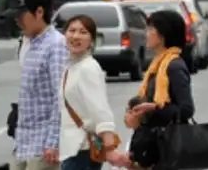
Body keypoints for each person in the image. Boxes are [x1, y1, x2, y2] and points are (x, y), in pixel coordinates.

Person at [125, 10, 195, 169]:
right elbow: (147, 99)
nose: (146, 34)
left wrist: (155, 108)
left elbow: (186, 109)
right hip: (152, 146)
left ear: (163, 35)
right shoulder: (156, 65)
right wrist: (134, 110)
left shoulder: (174, 66)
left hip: (168, 149)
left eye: (150, 30)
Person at [59, 15, 130, 170]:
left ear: (91, 41)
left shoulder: (88, 68)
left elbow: (100, 109)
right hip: (73, 149)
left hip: (82, 151)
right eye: (71, 31)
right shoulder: (71, 66)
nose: (76, 36)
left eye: (83, 32)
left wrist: (110, 147)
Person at [12, 0, 68, 170]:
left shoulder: (55, 45)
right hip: (24, 142)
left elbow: (60, 97)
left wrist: (52, 142)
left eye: (21, 16)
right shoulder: (31, 44)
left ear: (39, 12)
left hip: (43, 145)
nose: (17, 21)